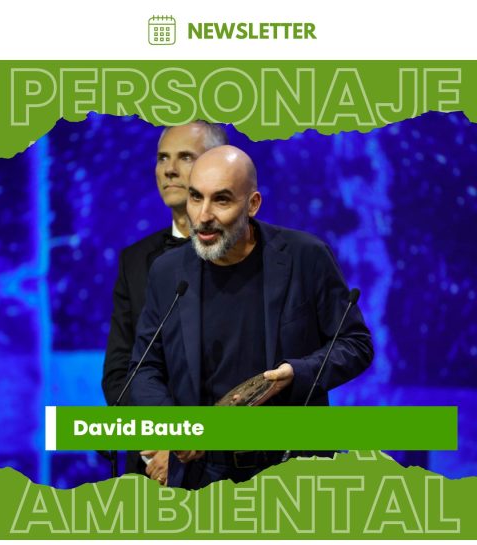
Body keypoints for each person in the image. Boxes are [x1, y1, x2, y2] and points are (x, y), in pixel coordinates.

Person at [129, 145, 374, 489]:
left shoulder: (306, 257)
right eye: (196, 197)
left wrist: (298, 373)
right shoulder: (168, 272)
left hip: (292, 468)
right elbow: (144, 369)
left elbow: (356, 344)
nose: (203, 216)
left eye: (222, 200)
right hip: (202, 475)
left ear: (253, 204)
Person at [102, 121, 228, 477]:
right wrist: (159, 442)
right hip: (152, 467)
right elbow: (119, 372)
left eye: (185, 157)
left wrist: (192, 443)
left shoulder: (259, 255)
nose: (169, 169)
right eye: (162, 158)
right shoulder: (134, 261)